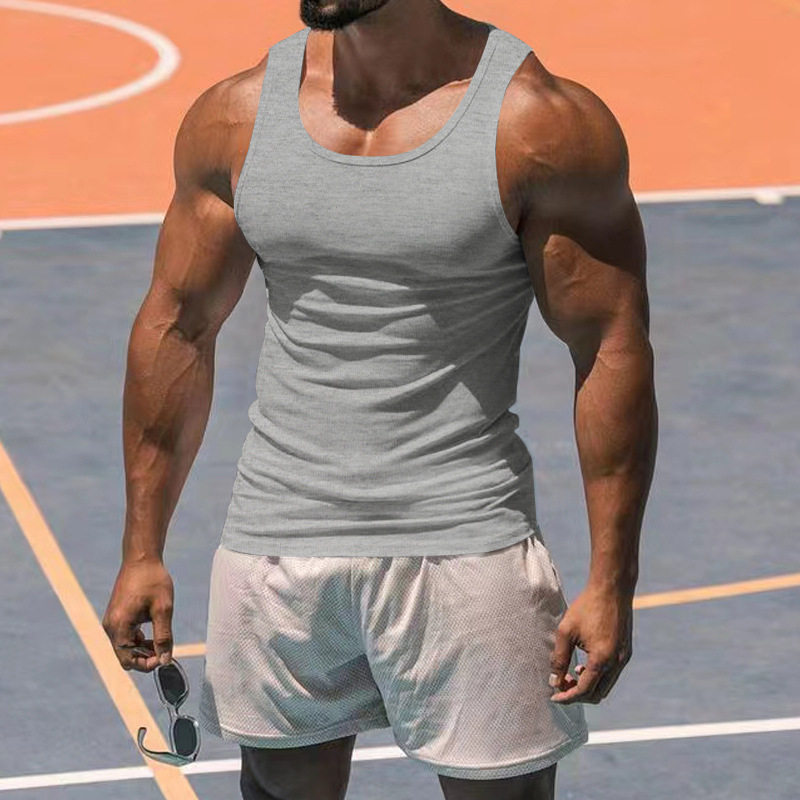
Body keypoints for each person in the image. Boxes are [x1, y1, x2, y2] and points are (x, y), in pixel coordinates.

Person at [103, 0, 658, 798]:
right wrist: (141, 549)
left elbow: (609, 349)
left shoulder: (540, 126)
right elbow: (178, 329)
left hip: (464, 542)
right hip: (277, 540)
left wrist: (612, 580)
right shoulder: (236, 117)